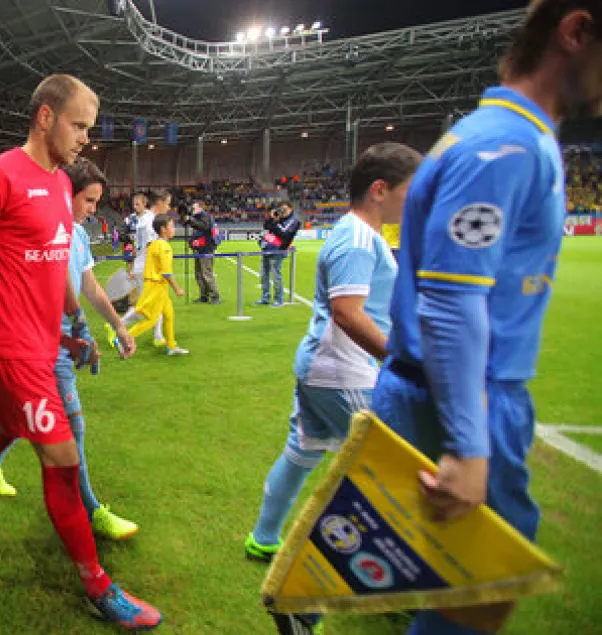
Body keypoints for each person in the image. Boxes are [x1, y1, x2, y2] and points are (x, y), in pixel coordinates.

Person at [0, 74, 162, 630]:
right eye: (79, 125)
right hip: (9, 351)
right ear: (45, 116)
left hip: (40, 347)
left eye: (89, 129)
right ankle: (97, 585)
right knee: (62, 459)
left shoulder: (63, 187)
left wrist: (70, 324)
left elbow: (50, 264)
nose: (85, 139)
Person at [373, 3, 600, 634]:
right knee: (479, 594)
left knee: (457, 589)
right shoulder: (503, 144)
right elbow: (451, 301)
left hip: (440, 385)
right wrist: (471, 446)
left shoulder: (502, 135)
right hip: (465, 395)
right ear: (576, 32)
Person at [243, 143, 423, 571]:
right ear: (380, 189)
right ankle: (377, 572)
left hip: (324, 367)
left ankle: (264, 539)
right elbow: (347, 312)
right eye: (410, 190)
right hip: (344, 373)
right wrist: (401, 360)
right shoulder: (359, 238)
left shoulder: (359, 233)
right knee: (384, 471)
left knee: (301, 453)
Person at [56, 157, 140, 540]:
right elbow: (58, 292)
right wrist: (80, 333)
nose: (93, 209)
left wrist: (119, 325)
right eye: (88, 201)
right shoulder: (47, 232)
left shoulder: (78, 235)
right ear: (66, 193)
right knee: (74, 426)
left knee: (10, 423)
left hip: (64, 342)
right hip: (46, 346)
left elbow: (90, 287)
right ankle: (91, 511)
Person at [125, 215, 188, 356]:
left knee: (169, 315)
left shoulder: (154, 243)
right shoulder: (164, 246)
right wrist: (177, 289)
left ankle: (171, 346)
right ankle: (122, 338)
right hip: (156, 286)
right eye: (171, 226)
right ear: (163, 229)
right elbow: (166, 273)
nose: (174, 229)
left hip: (156, 285)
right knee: (152, 319)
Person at [117, 191, 169, 346]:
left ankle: (158, 336)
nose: (135, 207)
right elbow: (151, 246)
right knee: (149, 304)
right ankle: (117, 326)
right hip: (147, 267)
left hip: (141, 265)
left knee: (150, 304)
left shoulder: (139, 222)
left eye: (137, 204)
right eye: (134, 204)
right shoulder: (149, 220)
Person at [258, 202, 301, 307]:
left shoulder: (294, 220)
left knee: (276, 275)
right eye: (281, 209)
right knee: (264, 274)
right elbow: (266, 227)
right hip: (268, 247)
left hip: (279, 249)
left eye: (284, 209)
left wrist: (275, 223)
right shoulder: (279, 218)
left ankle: (279, 299)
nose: (282, 212)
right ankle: (265, 297)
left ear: (290, 208)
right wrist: (271, 218)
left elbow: (285, 234)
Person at [185, 201, 221, 304]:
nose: (193, 210)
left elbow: (204, 227)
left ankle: (215, 295)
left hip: (206, 248)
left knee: (206, 273)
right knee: (198, 274)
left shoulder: (205, 216)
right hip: (199, 248)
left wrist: (191, 220)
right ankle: (204, 295)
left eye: (194, 208)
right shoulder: (197, 218)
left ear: (200, 208)